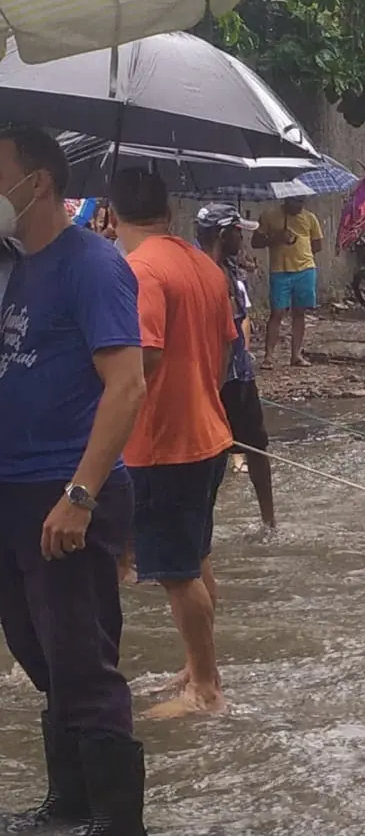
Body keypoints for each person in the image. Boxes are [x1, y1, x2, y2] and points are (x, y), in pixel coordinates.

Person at [0, 127, 150, 835]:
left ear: (37, 183)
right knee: (39, 653)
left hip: (66, 488)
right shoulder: (13, 265)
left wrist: (80, 496)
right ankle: (70, 805)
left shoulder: (92, 264)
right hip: (11, 489)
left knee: (82, 662)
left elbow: (127, 386)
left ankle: (118, 822)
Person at [111, 168, 237, 721]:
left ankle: (206, 688)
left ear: (112, 214)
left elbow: (146, 355)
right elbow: (228, 349)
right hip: (209, 433)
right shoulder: (204, 265)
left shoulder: (140, 270)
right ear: (167, 211)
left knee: (176, 572)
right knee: (196, 556)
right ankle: (198, 665)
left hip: (163, 443)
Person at [197, 203, 276, 528]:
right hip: (214, 378)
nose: (242, 238)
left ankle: (269, 522)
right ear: (222, 235)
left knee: (257, 447)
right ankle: (203, 526)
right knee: (209, 455)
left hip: (239, 374)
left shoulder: (230, 268)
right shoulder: (200, 273)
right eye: (236, 232)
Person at [255, 197, 324, 368]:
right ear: (286, 200)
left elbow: (317, 245)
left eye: (301, 201)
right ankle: (269, 356)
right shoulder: (270, 216)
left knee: (299, 312)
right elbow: (255, 242)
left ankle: (296, 355)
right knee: (277, 312)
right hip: (280, 271)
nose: (299, 205)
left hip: (305, 270)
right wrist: (276, 238)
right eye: (295, 201)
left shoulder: (310, 218)